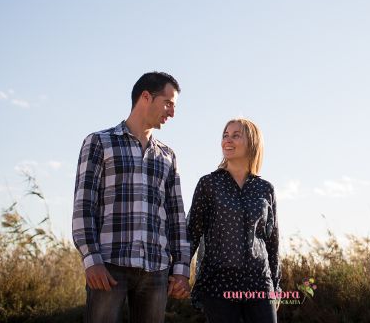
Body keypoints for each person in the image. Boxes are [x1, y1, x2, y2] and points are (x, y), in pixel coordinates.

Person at [72, 71, 191, 323]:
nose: (172, 112)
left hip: (156, 269)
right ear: (146, 97)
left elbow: (176, 216)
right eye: (168, 103)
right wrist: (91, 260)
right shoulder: (99, 142)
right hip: (109, 265)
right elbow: (84, 206)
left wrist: (181, 269)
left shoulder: (168, 155)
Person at [187, 118, 281, 323]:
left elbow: (272, 241)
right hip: (218, 283)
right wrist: (179, 272)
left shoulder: (265, 188)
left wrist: (276, 285)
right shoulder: (209, 184)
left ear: (253, 142)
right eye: (225, 135)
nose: (227, 140)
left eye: (235, 135)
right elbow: (191, 232)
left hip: (259, 284)